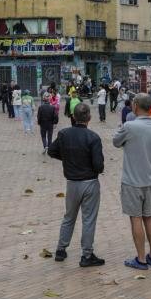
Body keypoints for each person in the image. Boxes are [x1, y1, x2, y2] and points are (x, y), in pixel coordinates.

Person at [49, 104, 105, 267]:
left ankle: (61, 249)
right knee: (88, 219)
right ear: (89, 118)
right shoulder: (93, 137)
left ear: (73, 116)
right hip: (89, 182)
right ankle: (86, 255)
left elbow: (52, 151)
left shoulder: (64, 134)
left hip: (72, 182)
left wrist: (67, 160)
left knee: (69, 216)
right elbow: (98, 166)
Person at [113, 94, 151, 270]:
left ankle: (141, 259)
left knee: (136, 218)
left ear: (135, 106)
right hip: (150, 179)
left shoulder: (129, 126)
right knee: (148, 216)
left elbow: (115, 142)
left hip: (132, 180)